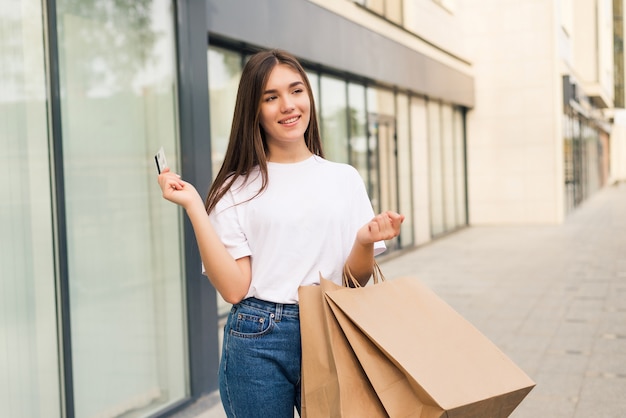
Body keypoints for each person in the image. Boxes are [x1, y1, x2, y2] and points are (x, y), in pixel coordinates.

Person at [157, 48, 404, 418]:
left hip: (332, 326)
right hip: (258, 339)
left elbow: (355, 283)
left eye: (296, 91)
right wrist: (195, 205)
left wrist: (364, 241)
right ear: (253, 110)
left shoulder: (344, 178)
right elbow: (234, 289)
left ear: (309, 96)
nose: (288, 105)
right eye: (270, 98)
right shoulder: (235, 188)